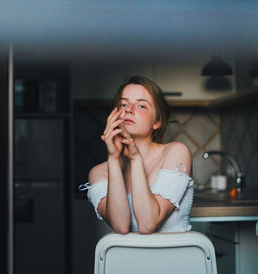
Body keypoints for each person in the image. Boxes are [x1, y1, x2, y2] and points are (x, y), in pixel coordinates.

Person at [80, 76, 194, 234]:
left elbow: (147, 224)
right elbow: (121, 227)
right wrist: (113, 159)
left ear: (157, 121)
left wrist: (135, 158)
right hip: (126, 259)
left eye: (141, 105)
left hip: (174, 257)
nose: (128, 109)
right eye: (123, 104)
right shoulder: (98, 173)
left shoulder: (176, 152)